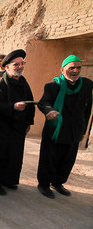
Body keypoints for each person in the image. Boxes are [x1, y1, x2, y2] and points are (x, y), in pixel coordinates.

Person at [37, 55, 93, 199]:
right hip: (55, 129)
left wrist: (83, 129)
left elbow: (87, 109)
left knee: (67, 159)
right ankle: (43, 184)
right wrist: (50, 111)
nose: (75, 71)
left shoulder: (87, 85)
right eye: (71, 68)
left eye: (78, 67)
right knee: (49, 158)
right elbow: (44, 102)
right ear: (62, 69)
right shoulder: (53, 86)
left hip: (74, 130)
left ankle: (58, 182)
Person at [0, 49, 35, 195]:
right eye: (16, 64)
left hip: (18, 129)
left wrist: (29, 123)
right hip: (2, 129)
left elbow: (30, 103)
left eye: (22, 63)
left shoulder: (24, 83)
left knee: (15, 156)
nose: (20, 67)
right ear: (7, 67)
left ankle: (10, 180)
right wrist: (13, 107)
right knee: (0, 155)